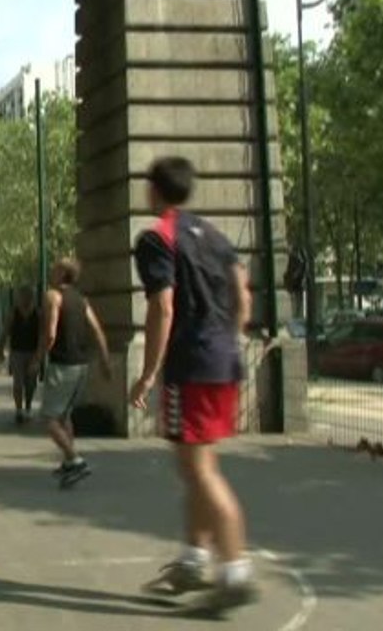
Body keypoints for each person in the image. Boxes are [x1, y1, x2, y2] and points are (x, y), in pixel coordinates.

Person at [128, 157, 257, 614]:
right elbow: (243, 294)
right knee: (198, 465)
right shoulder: (216, 237)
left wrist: (147, 373)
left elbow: (162, 307)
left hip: (192, 363)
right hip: (224, 360)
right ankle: (195, 557)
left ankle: (235, 570)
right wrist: (229, 339)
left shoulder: (156, 239)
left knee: (200, 472)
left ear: (153, 190)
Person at [28, 258, 111, 488]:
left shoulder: (53, 296)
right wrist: (104, 361)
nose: (51, 269)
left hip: (62, 365)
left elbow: (51, 334)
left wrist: (37, 359)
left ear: (62, 273)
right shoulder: (82, 300)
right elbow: (97, 331)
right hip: (81, 365)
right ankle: (68, 462)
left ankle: (76, 460)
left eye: (54, 267)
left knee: (49, 419)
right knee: (65, 416)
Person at [0, 286, 40, 425]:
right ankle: (19, 410)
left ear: (32, 297)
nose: (24, 299)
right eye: (22, 296)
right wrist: (1, 350)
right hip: (17, 353)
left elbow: (42, 335)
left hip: (33, 352)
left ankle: (28, 407)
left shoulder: (38, 313)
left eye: (28, 296)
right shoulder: (13, 313)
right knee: (18, 382)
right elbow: (5, 332)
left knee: (31, 383)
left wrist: (41, 354)